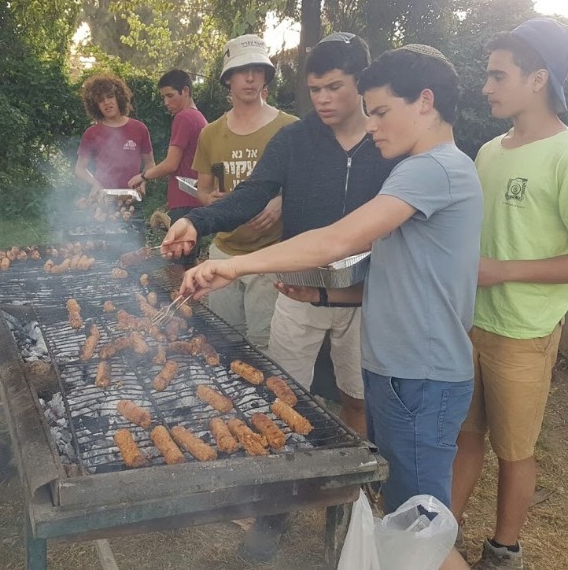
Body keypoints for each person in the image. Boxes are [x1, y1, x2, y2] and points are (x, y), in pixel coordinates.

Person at [177, 45, 481, 569]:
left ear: (425, 102)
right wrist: (324, 293)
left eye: (381, 111)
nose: (374, 125)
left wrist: (235, 266)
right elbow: (399, 274)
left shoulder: (428, 171)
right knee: (409, 514)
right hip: (401, 366)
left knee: (422, 524)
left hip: (421, 374)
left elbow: (336, 241)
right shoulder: (421, 166)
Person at [164, 32, 394, 560]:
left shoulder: (386, 140)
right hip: (297, 292)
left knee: (357, 400)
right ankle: (274, 513)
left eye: (334, 87)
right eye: (314, 89)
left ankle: (355, 502)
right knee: (281, 397)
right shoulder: (295, 140)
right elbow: (249, 194)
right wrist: (196, 221)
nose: (323, 100)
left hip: (366, 298)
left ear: (362, 82)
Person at [451, 18, 568, 569]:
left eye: (498, 76)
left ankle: (504, 550)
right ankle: (437, 542)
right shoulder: (488, 151)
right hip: (469, 322)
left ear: (539, 78)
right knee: (464, 437)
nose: (486, 87)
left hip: (524, 332)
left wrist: (502, 271)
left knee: (515, 451)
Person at [187, 34, 297, 348]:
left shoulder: (290, 128)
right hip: (224, 252)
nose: (249, 78)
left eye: (257, 70)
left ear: (265, 76)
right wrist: (212, 203)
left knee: (264, 344)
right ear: (228, 79)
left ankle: (264, 399)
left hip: (270, 255)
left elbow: (313, 188)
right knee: (225, 339)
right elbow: (203, 191)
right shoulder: (211, 133)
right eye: (241, 70)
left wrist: (281, 202)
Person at [127, 69, 207, 265]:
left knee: (178, 266)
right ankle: (192, 296)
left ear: (185, 91)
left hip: (186, 202)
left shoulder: (184, 118)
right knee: (189, 262)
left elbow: (171, 164)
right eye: (163, 97)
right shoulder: (200, 118)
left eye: (170, 96)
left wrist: (143, 176)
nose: (166, 102)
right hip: (196, 200)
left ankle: (184, 296)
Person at [75, 73, 154, 197]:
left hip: (131, 198)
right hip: (103, 199)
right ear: (95, 105)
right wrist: (95, 184)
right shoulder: (91, 133)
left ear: (119, 98)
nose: (106, 102)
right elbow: (80, 168)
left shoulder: (139, 128)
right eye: (100, 100)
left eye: (110, 96)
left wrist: (143, 181)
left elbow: (150, 164)